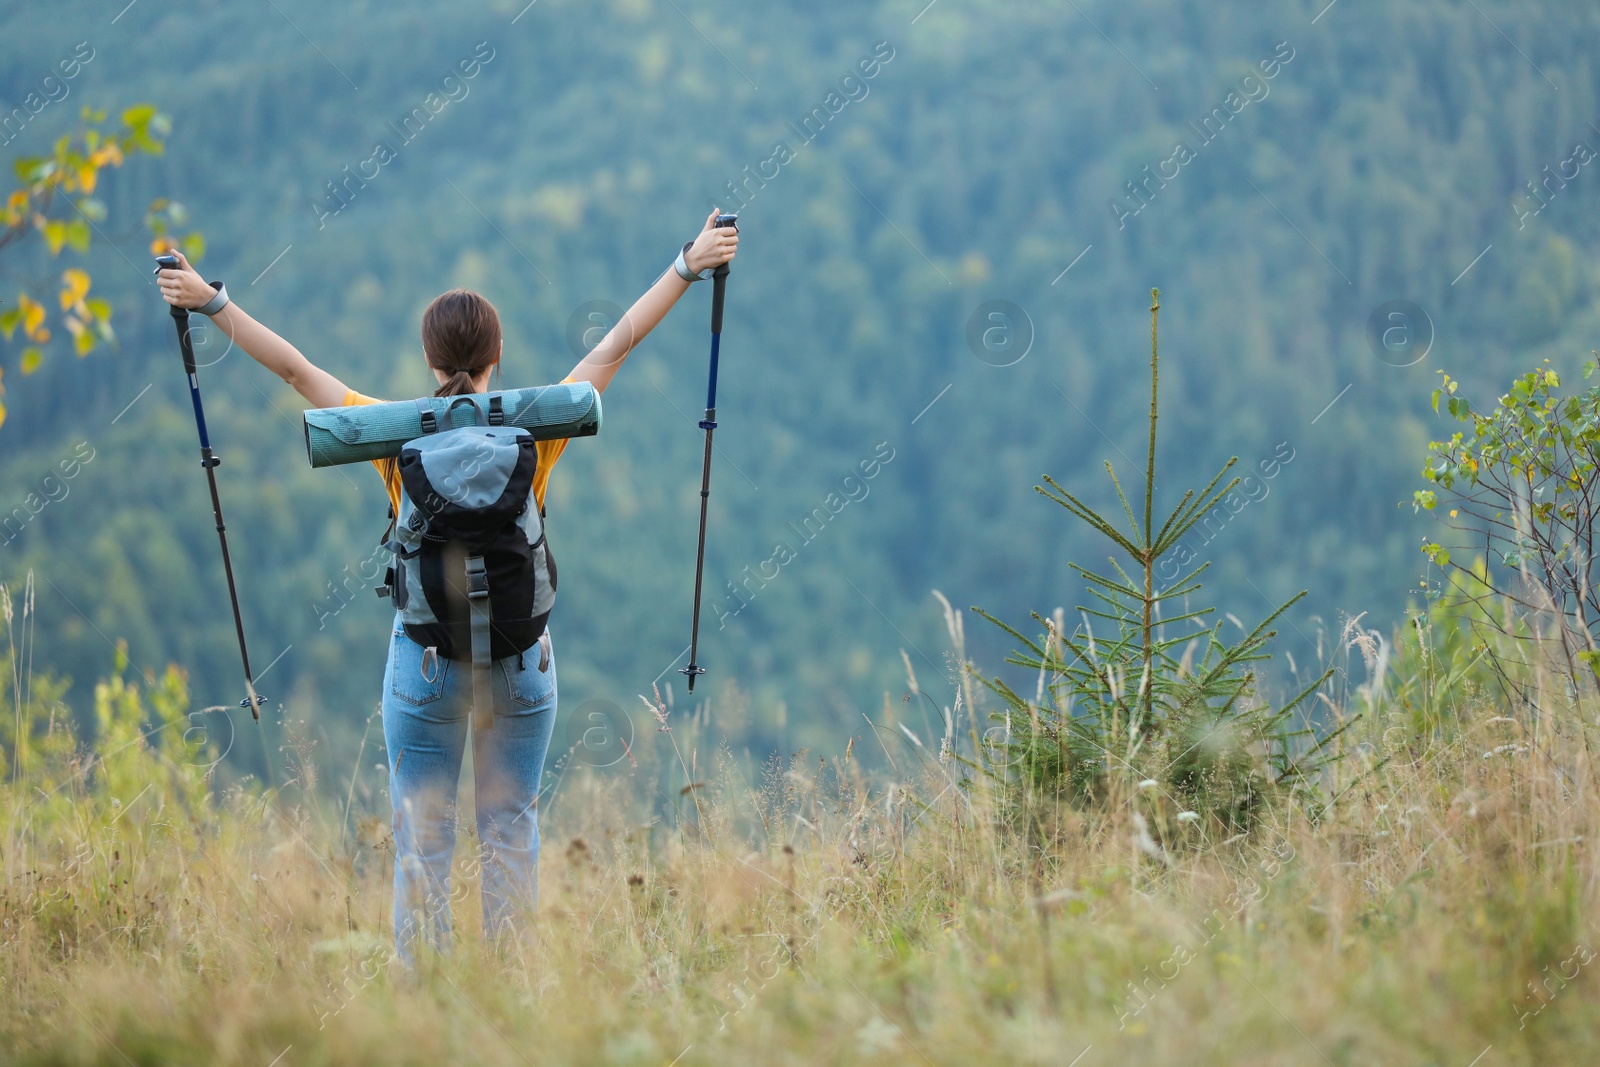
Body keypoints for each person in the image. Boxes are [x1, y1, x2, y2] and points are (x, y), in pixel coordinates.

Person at [156, 210, 738, 963]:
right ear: (498, 356)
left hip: (424, 664)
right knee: (510, 830)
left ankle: (419, 1009)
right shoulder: (538, 430)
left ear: (430, 360)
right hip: (522, 664)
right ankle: (510, 1001)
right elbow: (615, 344)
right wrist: (690, 264)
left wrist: (208, 299)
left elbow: (296, 371)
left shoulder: (393, 437)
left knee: (422, 844)